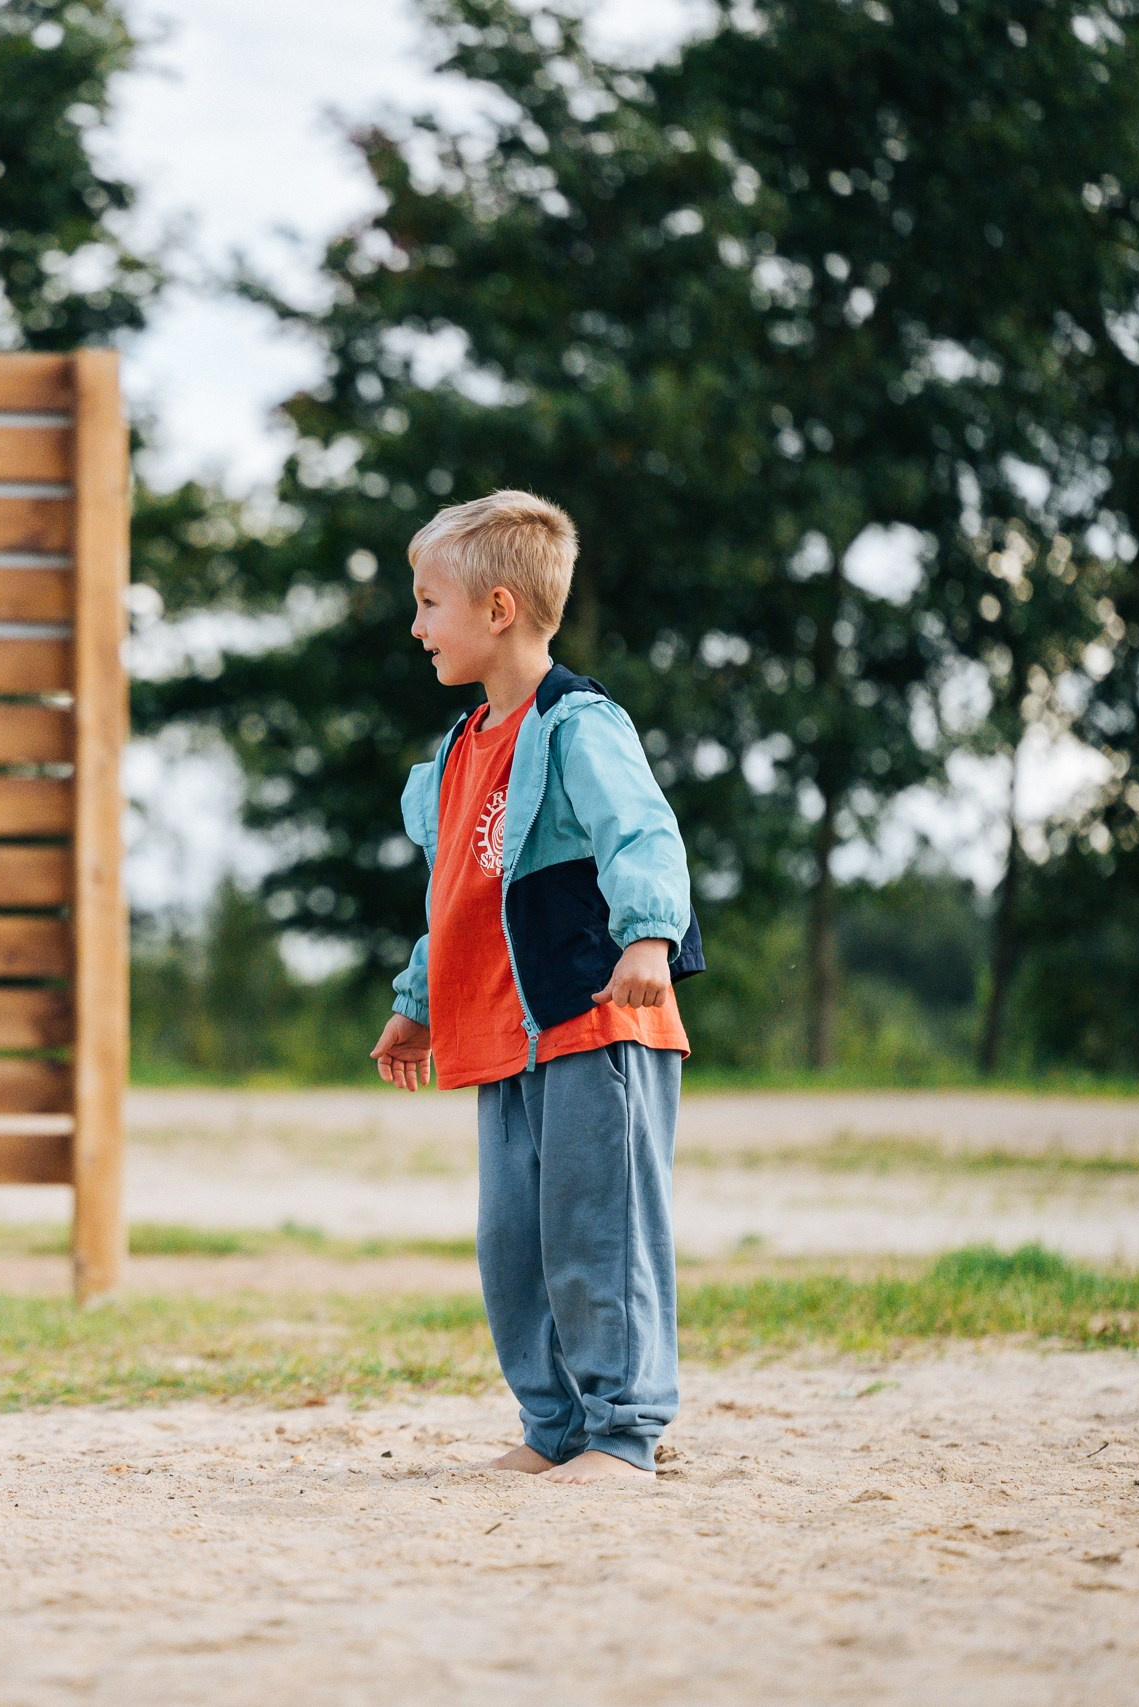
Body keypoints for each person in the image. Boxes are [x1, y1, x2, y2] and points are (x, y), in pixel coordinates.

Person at [369, 489, 701, 1486]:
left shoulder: (576, 725)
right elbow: (456, 897)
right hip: (501, 1038)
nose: (417, 626)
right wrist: (417, 1003)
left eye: (429, 603)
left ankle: (622, 1430)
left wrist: (649, 938)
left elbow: (643, 833)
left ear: (499, 608)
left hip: (594, 1022)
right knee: (515, 1246)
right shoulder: (459, 752)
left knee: (599, 1235)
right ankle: (554, 1426)